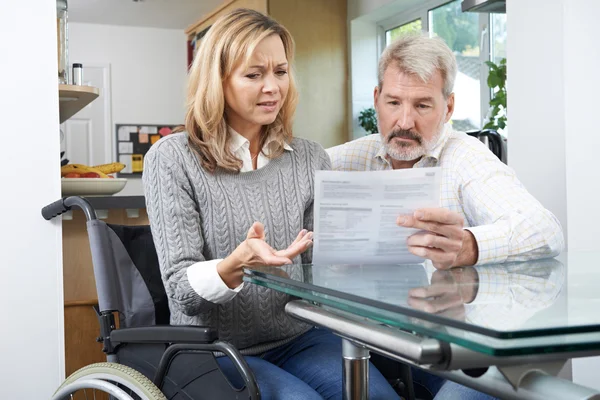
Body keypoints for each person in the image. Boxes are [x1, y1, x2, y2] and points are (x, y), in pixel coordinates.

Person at [142, 8, 399, 400]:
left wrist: (375, 243)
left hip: (300, 336)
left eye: (280, 71)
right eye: (254, 74)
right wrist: (236, 264)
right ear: (218, 80)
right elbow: (181, 292)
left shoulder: (310, 157)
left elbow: (323, 270)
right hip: (212, 348)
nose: (272, 87)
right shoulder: (172, 158)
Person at [327, 32, 565, 399]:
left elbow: (545, 230)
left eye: (423, 106)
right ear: (376, 99)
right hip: (370, 341)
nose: (404, 121)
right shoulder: (342, 161)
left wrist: (470, 244)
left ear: (449, 108)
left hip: (456, 347)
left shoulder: (465, 157)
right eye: (393, 102)